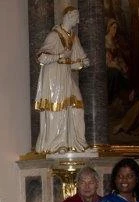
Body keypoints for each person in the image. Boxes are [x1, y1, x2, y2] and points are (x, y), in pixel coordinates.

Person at [34, 6, 90, 154]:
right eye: (76, 17)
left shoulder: (73, 38)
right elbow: (41, 57)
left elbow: (73, 63)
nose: (78, 21)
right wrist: (59, 56)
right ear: (68, 16)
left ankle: (78, 142)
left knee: (77, 106)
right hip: (53, 78)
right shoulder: (54, 36)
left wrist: (82, 63)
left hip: (66, 76)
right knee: (57, 109)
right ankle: (57, 145)